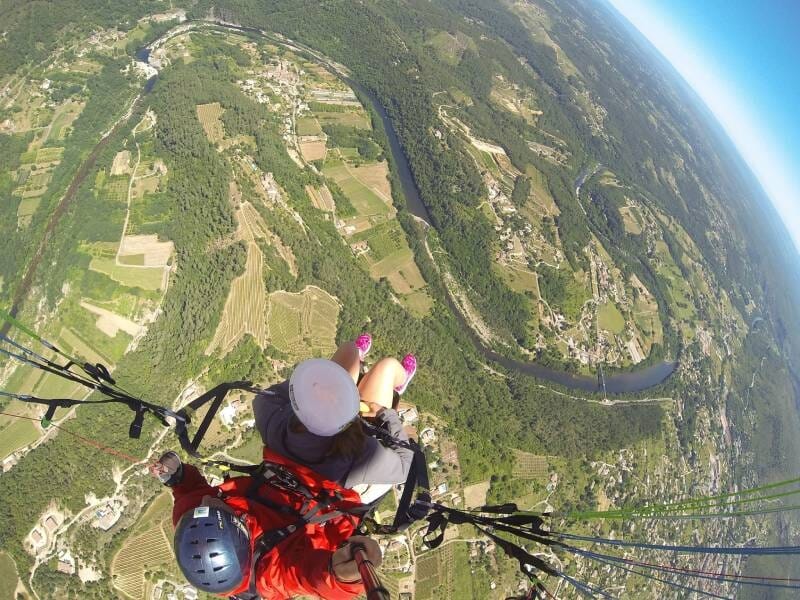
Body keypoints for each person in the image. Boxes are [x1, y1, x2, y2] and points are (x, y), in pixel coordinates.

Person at [150, 450, 382, 600]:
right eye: (218, 508)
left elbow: (190, 491)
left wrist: (176, 477)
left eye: (205, 507)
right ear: (242, 534)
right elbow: (311, 578)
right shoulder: (269, 574)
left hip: (291, 477)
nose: (210, 499)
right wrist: (346, 574)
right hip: (334, 505)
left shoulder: (190, 513)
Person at [253, 333, 417, 496]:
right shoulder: (358, 456)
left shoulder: (275, 424)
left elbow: (265, 397)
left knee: (349, 349)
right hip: (363, 424)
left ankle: (356, 356)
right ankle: (399, 382)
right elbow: (404, 466)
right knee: (387, 367)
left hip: (330, 445)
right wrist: (386, 414)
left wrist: (312, 389)